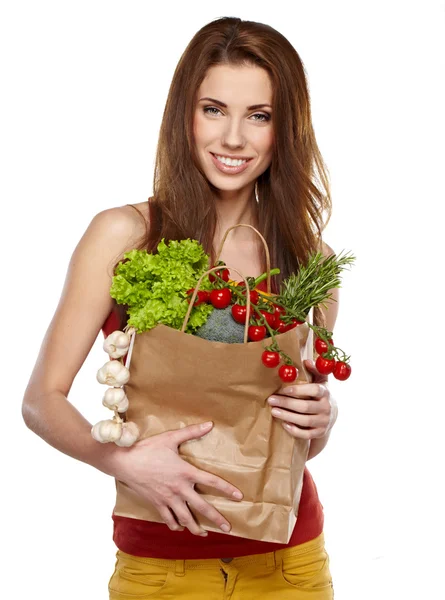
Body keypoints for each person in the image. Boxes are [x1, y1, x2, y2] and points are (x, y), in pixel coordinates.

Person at [22, 16, 340, 599]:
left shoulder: (307, 257)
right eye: (214, 109)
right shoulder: (123, 235)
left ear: (285, 129)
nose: (234, 138)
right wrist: (122, 462)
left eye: (260, 116)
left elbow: (295, 431)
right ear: (183, 116)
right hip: (161, 563)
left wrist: (322, 420)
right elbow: (40, 402)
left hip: (288, 560)